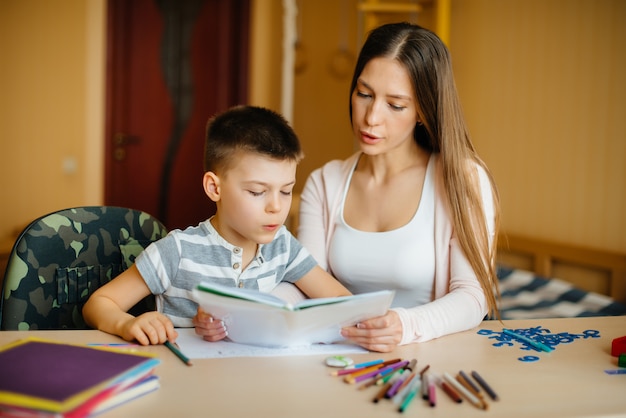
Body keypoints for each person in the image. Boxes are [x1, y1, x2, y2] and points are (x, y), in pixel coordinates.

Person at [296, 22, 501, 353]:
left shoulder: (462, 180)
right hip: (338, 360)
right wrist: (243, 309)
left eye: (395, 105)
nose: (371, 117)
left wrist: (404, 326)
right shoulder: (325, 182)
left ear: (422, 110)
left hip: (427, 365)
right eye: (364, 94)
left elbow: (473, 297)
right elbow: (303, 282)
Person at [83, 105, 351, 345]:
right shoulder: (177, 251)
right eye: (258, 192)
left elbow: (340, 299)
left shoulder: (283, 247)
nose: (276, 207)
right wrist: (127, 323)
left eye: (285, 191)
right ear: (214, 187)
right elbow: (99, 303)